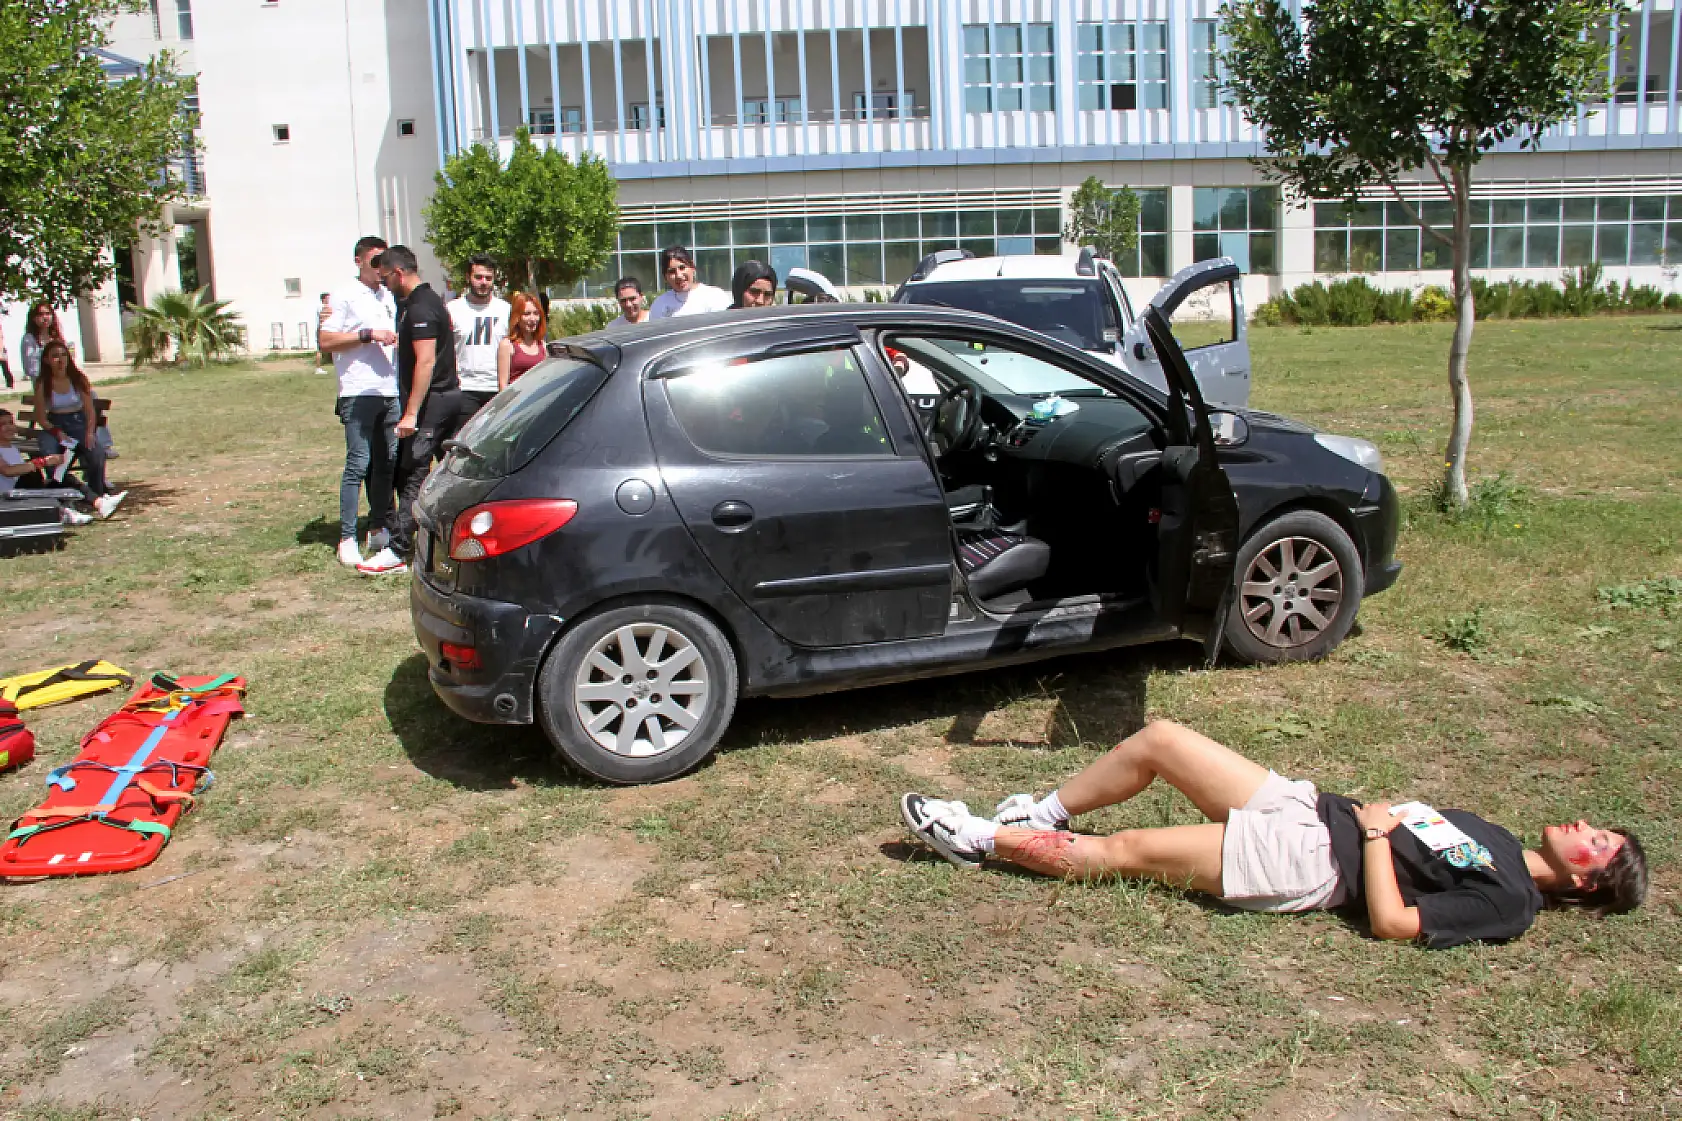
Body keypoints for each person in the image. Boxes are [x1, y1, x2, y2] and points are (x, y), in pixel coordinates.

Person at [901, 719, 1647, 949]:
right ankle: (1041, 813)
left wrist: (1379, 837)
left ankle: (976, 839)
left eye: (1598, 841)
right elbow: (1406, 816)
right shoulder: (1502, 837)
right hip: (1308, 807)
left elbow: (1392, 922)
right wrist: (1380, 814)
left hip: (1308, 861)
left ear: (1585, 881)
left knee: (1124, 851)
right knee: (1160, 739)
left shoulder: (1511, 901)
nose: (1585, 826)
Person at [357, 245, 460, 577]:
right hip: (441, 400)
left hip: (434, 404)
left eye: (385, 277)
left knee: (413, 473)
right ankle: (434, 541)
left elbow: (426, 362)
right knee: (439, 474)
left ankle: (400, 550)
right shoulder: (424, 303)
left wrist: (411, 413)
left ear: (398, 273)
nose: (384, 283)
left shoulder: (420, 309)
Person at [317, 235, 399, 568]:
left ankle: (379, 527)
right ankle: (347, 537)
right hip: (358, 391)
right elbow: (326, 340)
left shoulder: (389, 296)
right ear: (359, 261)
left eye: (385, 261)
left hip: (388, 390)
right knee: (358, 463)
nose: (381, 267)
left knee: (386, 464)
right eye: (375, 260)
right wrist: (367, 334)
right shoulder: (345, 294)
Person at [32, 341, 123, 510]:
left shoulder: (77, 378)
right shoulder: (43, 383)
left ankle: (98, 494)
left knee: (96, 454)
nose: (60, 360)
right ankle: (69, 497)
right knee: (52, 458)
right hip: (54, 424)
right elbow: (41, 418)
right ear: (46, 360)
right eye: (55, 356)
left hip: (78, 421)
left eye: (63, 355)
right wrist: (56, 431)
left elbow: (90, 411)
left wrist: (89, 432)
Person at [0, 409, 119, 523]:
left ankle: (100, 503)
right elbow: (7, 471)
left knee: (63, 478)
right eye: (3, 424)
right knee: (32, 474)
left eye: (11, 422)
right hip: (9, 496)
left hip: (25, 490)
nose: (9, 427)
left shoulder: (12, 448)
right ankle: (63, 512)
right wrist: (42, 462)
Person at [446, 254, 510, 419]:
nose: (483, 282)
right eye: (478, 277)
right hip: (465, 388)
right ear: (468, 277)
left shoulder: (505, 310)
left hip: (497, 388)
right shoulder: (453, 309)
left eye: (488, 278)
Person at [647, 247, 731, 319]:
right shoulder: (659, 304)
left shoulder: (715, 296)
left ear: (692, 267)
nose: (679, 275)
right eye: (672, 271)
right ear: (665, 277)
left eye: (682, 268)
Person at [498, 292, 547, 387]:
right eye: (527, 314)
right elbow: (503, 385)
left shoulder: (543, 345)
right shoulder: (507, 345)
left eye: (536, 313)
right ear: (517, 317)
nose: (533, 319)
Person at [19, 301, 67, 386]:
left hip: (62, 380)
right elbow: (31, 367)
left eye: (48, 313)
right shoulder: (29, 339)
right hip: (43, 383)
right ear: (33, 318)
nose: (45, 317)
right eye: (40, 314)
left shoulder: (57, 337)